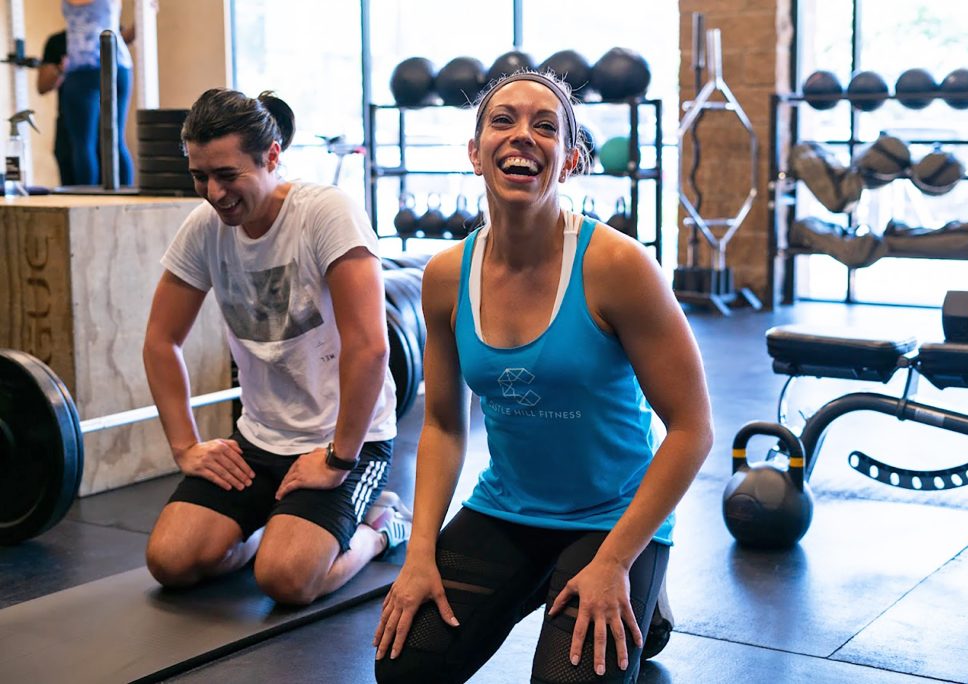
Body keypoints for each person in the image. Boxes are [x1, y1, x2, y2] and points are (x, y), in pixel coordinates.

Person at [373, 71, 713, 683]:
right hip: (509, 508)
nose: (522, 136)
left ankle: (644, 583)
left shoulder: (618, 266)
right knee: (405, 668)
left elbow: (693, 429)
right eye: (502, 121)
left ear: (573, 159)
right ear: (474, 154)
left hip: (612, 515)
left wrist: (616, 561)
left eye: (545, 126)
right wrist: (419, 550)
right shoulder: (447, 277)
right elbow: (445, 426)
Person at [142, 88, 411, 605]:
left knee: (286, 580)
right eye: (200, 176)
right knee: (171, 561)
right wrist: (185, 447)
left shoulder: (325, 214)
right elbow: (160, 341)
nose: (213, 193)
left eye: (226, 175)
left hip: (343, 440)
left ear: (270, 157)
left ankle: (380, 528)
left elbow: (370, 346)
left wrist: (338, 459)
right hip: (259, 439)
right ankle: (277, 526)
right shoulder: (204, 230)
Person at [60, 0, 134, 185]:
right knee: (88, 144)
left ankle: (120, 200)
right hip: (87, 69)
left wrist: (146, 14)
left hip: (102, 65)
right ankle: (91, 203)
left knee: (90, 143)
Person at [37, 30, 74, 186]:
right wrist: (61, 70)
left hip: (105, 129)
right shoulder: (58, 42)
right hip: (67, 126)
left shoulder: (111, 31)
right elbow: (42, 86)